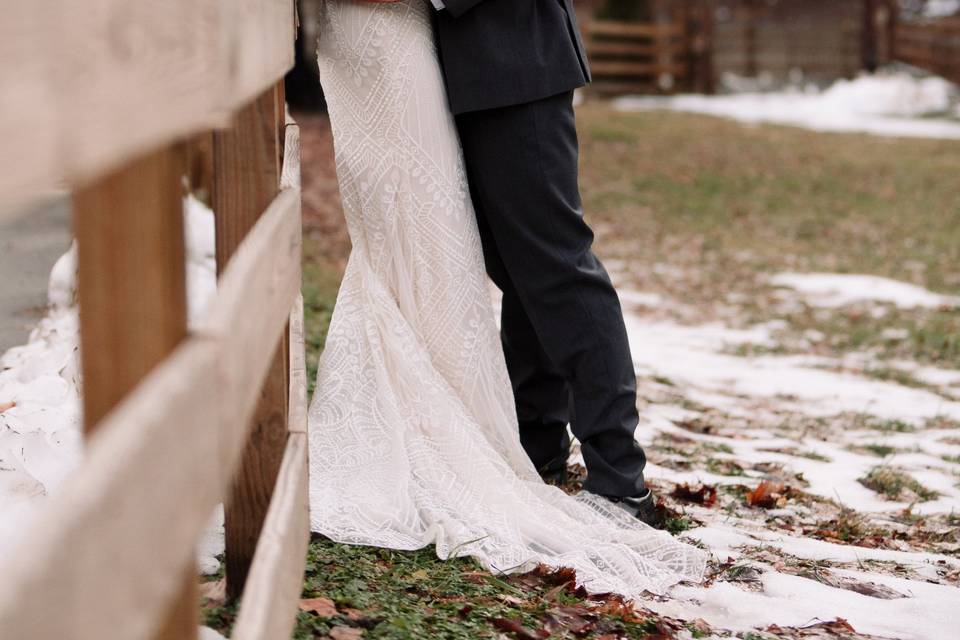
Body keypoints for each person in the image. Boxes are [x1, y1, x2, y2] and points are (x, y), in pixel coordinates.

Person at [307, 0, 706, 597]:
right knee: (518, 270)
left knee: (556, 266)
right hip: (464, 72)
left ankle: (621, 478)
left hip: (518, 61)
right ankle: (539, 443)